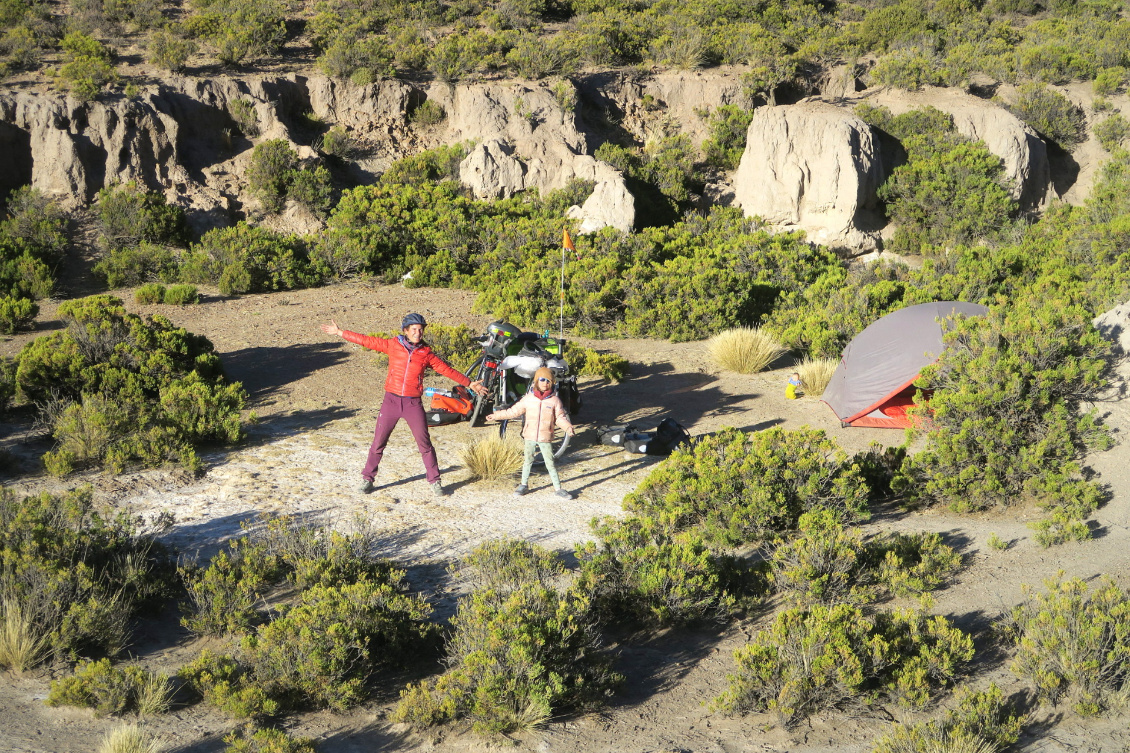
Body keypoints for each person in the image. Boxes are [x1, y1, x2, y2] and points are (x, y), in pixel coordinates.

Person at [321, 313, 487, 497]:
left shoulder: (426, 354)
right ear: (406, 331)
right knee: (378, 442)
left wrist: (469, 383)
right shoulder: (393, 345)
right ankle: (367, 479)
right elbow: (367, 341)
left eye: (421, 329)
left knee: (425, 444)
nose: (418, 332)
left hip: (412, 404)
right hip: (391, 401)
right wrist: (340, 332)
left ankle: (435, 481)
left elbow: (445, 370)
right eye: (414, 329)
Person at [486, 366, 576, 499]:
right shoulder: (528, 399)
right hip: (529, 436)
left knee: (550, 463)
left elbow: (559, 417)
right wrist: (496, 415)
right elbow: (513, 411)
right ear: (536, 381)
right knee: (527, 460)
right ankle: (523, 484)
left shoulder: (555, 401)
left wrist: (567, 427)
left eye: (548, 381)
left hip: (545, 437)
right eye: (542, 379)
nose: (545, 383)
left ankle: (558, 488)